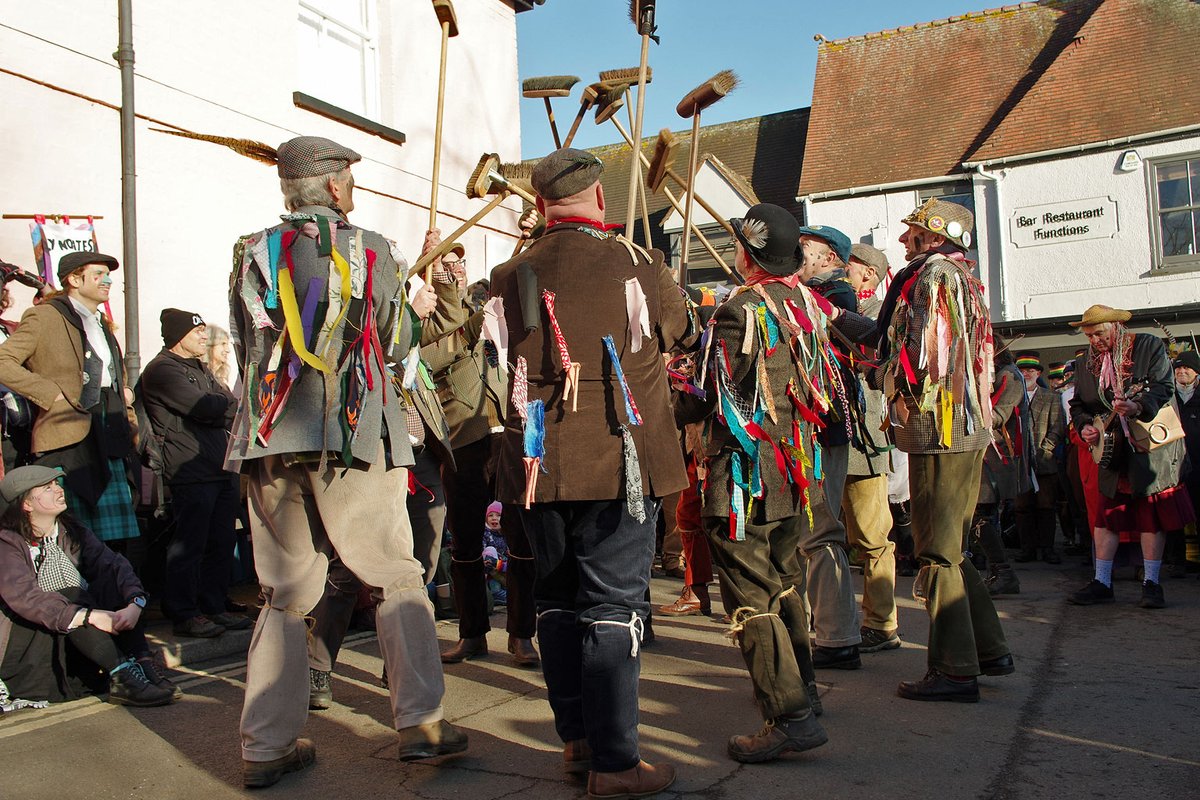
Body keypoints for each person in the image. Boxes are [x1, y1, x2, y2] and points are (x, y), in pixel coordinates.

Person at [227, 135, 466, 788]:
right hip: (352, 433)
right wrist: (418, 308)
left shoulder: (251, 253)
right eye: (352, 180)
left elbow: (255, 342)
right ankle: (420, 720)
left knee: (283, 595)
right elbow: (391, 343)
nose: (354, 189)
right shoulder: (368, 251)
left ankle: (264, 745)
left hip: (270, 438)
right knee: (394, 573)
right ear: (334, 188)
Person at [488, 147, 691, 797]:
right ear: (599, 198)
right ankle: (614, 762)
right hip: (617, 461)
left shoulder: (505, 273)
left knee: (554, 602)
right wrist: (669, 278)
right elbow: (681, 335)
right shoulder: (638, 262)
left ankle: (577, 740)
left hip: (537, 467)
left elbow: (498, 357)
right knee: (610, 609)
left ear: (541, 204)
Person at [830, 198, 1014, 703]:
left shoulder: (932, 278)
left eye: (911, 230)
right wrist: (832, 315)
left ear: (933, 237)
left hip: (940, 427)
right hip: (955, 426)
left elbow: (913, 355)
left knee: (936, 549)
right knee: (950, 546)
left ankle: (955, 670)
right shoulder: (953, 275)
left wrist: (875, 371)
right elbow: (890, 338)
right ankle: (989, 649)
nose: (902, 239)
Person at [675, 203, 830, 762]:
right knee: (785, 580)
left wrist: (675, 382)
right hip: (792, 469)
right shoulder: (805, 306)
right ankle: (805, 691)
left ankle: (788, 714)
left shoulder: (740, 310)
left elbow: (710, 396)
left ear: (748, 253)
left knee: (750, 592)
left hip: (745, 476)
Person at [421, 241, 538, 669]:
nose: (454, 270)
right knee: (465, 541)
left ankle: (522, 634)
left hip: (507, 435)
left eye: (459, 262)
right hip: (463, 438)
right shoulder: (427, 319)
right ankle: (472, 633)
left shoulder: (490, 312)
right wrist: (471, 326)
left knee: (520, 537)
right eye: (445, 264)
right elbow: (431, 360)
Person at [0, 465, 177, 708]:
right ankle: (122, 675)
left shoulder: (70, 529)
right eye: (47, 488)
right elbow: (26, 598)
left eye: (57, 484)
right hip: (31, 646)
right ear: (26, 504)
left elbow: (113, 565)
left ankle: (142, 664)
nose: (58, 490)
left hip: (72, 636)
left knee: (113, 582)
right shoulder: (6, 543)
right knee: (72, 594)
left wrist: (135, 602)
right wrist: (87, 616)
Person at [0, 252, 141, 545]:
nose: (109, 280)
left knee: (115, 544)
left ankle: (116, 592)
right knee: (74, 540)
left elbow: (116, 381)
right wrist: (48, 394)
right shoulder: (45, 316)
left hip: (109, 435)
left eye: (108, 274)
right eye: (99, 274)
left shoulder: (102, 324)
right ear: (75, 279)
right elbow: (4, 360)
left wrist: (130, 425)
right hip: (68, 441)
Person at [1066, 305, 1192, 609]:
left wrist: (1138, 406)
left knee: (1150, 517)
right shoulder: (1085, 363)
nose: (1094, 340)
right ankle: (1102, 582)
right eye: (1089, 335)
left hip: (1147, 446)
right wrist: (1085, 427)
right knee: (1105, 517)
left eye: (1099, 333)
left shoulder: (1147, 346)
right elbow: (1079, 405)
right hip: (1111, 450)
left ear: (1116, 327)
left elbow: (1162, 386)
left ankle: (1151, 583)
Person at [137, 309, 249, 638]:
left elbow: (228, 404)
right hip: (190, 472)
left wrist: (220, 407)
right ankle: (184, 612)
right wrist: (219, 407)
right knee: (190, 545)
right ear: (178, 335)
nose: (204, 336)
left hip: (220, 467)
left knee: (221, 541)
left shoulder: (199, 367)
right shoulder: (161, 370)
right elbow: (206, 407)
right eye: (197, 331)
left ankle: (214, 606)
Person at [794, 223, 863, 669]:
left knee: (820, 531)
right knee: (806, 534)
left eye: (806, 249)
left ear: (830, 259)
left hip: (824, 428)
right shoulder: (805, 292)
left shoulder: (837, 297)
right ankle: (818, 630)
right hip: (806, 429)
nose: (797, 254)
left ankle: (838, 638)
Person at [842, 242, 900, 653]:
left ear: (866, 274)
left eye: (846, 266)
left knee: (873, 538)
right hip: (828, 439)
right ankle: (832, 620)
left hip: (863, 442)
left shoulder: (882, 313)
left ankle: (881, 624)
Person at [974, 341, 1032, 596]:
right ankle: (998, 571)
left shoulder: (1008, 375)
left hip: (997, 457)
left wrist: (968, 406)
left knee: (982, 514)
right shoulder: (1002, 373)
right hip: (990, 455)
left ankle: (1003, 572)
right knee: (980, 515)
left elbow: (998, 415)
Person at [1012, 352, 1066, 564]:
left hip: (1044, 459)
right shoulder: (1013, 396)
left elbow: (1058, 427)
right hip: (1020, 461)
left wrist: (1047, 448)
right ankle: (1027, 548)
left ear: (1038, 373)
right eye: (1022, 371)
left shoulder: (1051, 397)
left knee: (1046, 506)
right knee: (1022, 507)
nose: (1026, 375)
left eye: (1030, 371)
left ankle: (1048, 548)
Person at [1172, 349, 1200, 576]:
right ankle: (1179, 560)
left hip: (1198, 463)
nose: (1181, 372)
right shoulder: (1168, 397)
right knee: (1176, 513)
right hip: (1174, 464)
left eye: (1186, 368)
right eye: (1178, 368)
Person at [202, 324, 235, 389]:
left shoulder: (221, 383)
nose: (228, 350)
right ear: (209, 345)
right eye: (223, 344)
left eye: (227, 344)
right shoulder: (200, 379)